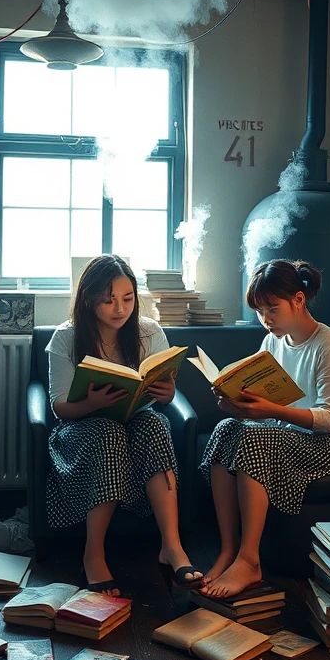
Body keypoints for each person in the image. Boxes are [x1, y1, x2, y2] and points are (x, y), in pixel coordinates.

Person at [199, 259, 330, 598]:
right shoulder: (273, 342)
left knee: (254, 437)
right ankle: (229, 549)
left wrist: (271, 412)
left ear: (298, 300)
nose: (266, 320)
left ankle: (249, 559)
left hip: (327, 442)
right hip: (282, 432)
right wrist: (236, 405)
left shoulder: (329, 345)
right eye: (259, 311)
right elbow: (262, 402)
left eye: (272, 309)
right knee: (226, 427)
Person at [46, 254, 201, 596]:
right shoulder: (66, 336)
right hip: (81, 430)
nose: (120, 308)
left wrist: (167, 392)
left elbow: (165, 398)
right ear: (89, 299)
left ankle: (171, 546)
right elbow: (59, 408)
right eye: (108, 299)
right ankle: (93, 553)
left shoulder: (149, 331)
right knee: (108, 431)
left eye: (128, 298)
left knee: (155, 426)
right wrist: (93, 404)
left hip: (135, 419)